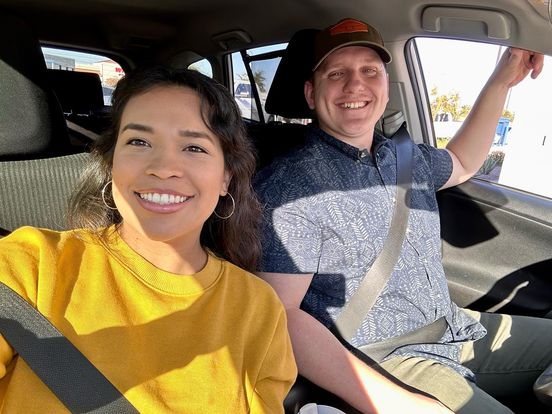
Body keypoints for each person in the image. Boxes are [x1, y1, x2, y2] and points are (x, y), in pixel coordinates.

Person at [254, 18, 552, 414]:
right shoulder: (290, 185)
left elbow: (463, 162)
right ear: (311, 93)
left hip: (452, 327)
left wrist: (503, 78)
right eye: (337, 73)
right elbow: (281, 316)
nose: (355, 85)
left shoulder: (404, 156)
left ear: (385, 85)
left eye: (369, 71)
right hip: (386, 356)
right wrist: (390, 401)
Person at [0, 67, 296, 413]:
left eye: (194, 147)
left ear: (225, 179)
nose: (163, 167)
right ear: (111, 163)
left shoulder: (258, 308)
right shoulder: (30, 263)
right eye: (139, 142)